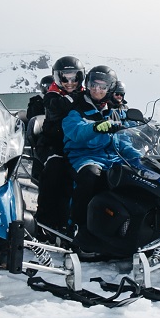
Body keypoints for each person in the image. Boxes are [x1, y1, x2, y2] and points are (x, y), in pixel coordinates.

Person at [61, 65, 126, 253]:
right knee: (91, 176)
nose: (97, 90)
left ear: (110, 89)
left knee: (134, 176)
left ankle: (125, 227)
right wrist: (96, 127)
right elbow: (76, 131)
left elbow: (124, 139)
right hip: (82, 157)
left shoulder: (115, 111)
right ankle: (79, 227)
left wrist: (138, 157)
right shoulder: (76, 108)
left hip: (112, 157)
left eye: (102, 86)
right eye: (93, 85)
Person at [34, 56, 84, 233]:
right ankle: (44, 222)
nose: (69, 82)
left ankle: (72, 220)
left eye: (74, 78)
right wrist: (76, 97)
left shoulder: (84, 94)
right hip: (52, 144)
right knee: (55, 170)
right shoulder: (53, 95)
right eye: (64, 78)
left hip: (76, 144)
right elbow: (58, 106)